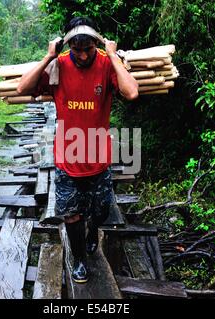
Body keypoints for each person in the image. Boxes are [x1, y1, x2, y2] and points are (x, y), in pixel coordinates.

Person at [17, 17, 138, 283]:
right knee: (71, 213)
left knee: (100, 211)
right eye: (76, 49)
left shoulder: (107, 65)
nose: (82, 55)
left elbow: (130, 93)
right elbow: (22, 88)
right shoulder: (58, 66)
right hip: (67, 158)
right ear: (67, 45)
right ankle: (79, 259)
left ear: (97, 43)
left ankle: (93, 231)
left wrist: (114, 54)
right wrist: (49, 55)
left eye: (88, 48)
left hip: (99, 157)